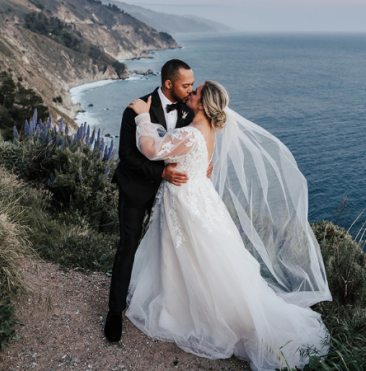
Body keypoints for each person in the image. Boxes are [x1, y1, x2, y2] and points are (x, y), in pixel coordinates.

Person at [124, 80, 331, 370]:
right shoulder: (207, 132)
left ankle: (185, 313)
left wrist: (142, 115)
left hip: (185, 201)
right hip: (200, 197)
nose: (190, 93)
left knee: (190, 255)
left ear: (202, 103)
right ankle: (181, 305)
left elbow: (150, 149)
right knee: (203, 257)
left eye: (195, 92)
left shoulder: (191, 133)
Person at [106, 59, 213, 342]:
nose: (191, 90)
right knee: (128, 247)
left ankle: (171, 308)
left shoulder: (191, 113)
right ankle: (114, 313)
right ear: (169, 83)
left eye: (193, 85)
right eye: (186, 85)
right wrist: (161, 172)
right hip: (136, 189)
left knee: (172, 249)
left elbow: (197, 143)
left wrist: (201, 166)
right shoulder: (136, 109)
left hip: (174, 196)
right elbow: (127, 155)